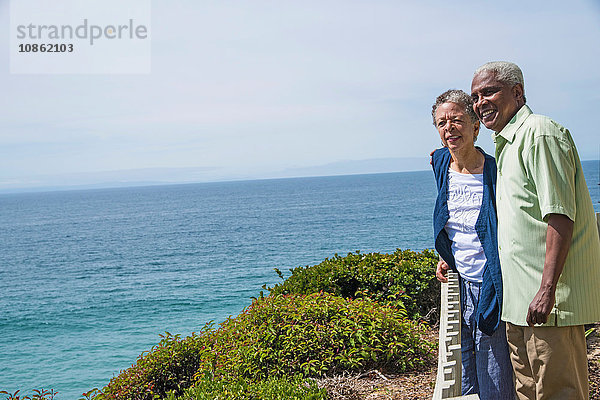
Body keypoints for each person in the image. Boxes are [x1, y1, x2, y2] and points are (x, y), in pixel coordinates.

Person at [470, 61, 600, 400]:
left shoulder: (540, 133)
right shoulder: (505, 145)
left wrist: (547, 289)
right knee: (529, 392)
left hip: (548, 305)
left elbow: (560, 216)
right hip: (518, 306)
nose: (480, 102)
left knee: (560, 393)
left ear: (517, 93)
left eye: (489, 92)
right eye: (475, 96)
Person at [431, 89, 514, 399]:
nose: (449, 128)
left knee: (494, 376)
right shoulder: (442, 164)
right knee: (465, 373)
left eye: (457, 120)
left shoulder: (496, 172)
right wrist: (447, 257)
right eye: (441, 123)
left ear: (476, 126)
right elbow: (453, 224)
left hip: (491, 284)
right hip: (459, 284)